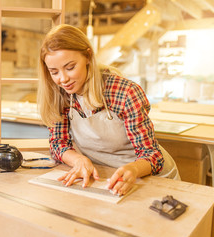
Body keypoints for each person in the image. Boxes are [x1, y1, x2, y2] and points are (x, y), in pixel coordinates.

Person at [37, 24, 180, 196]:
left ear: (88, 56)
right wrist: (78, 160)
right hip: (106, 176)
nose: (63, 79)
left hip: (149, 176)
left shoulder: (125, 92)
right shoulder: (60, 94)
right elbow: (58, 144)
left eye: (70, 67)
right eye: (54, 72)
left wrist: (133, 170)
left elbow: (152, 155)